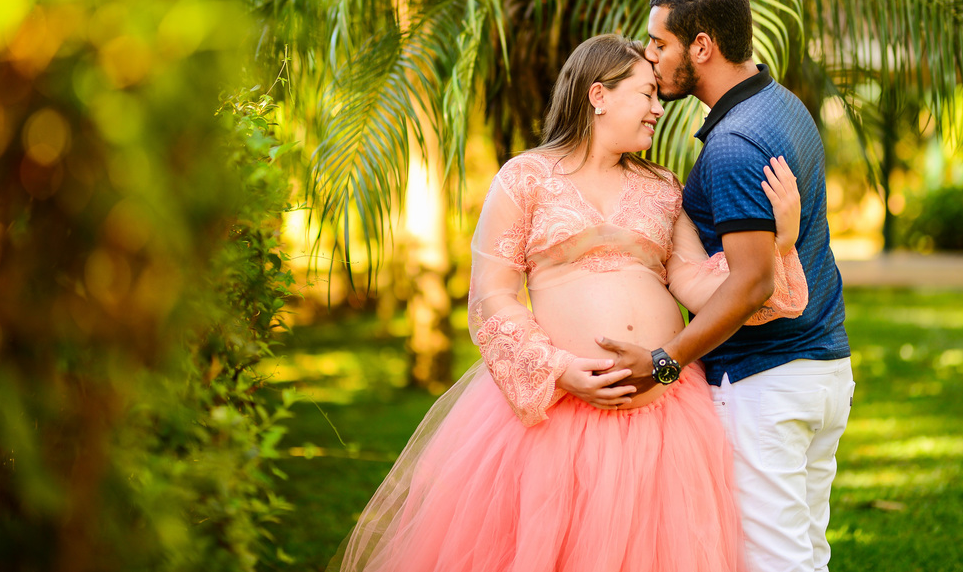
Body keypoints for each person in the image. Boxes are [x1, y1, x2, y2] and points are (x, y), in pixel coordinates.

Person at [331, 34, 807, 572]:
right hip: (554, 419)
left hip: (663, 415)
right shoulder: (525, 178)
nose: (658, 109)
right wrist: (559, 369)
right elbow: (491, 295)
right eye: (647, 94)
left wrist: (778, 246)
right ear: (598, 94)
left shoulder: (663, 187)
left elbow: (697, 283)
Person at [596, 0, 853, 572]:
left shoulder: (736, 143)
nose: (651, 58)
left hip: (767, 382)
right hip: (823, 371)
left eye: (660, 44)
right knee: (806, 554)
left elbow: (752, 282)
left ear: (702, 46)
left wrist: (664, 362)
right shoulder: (782, 104)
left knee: (773, 562)